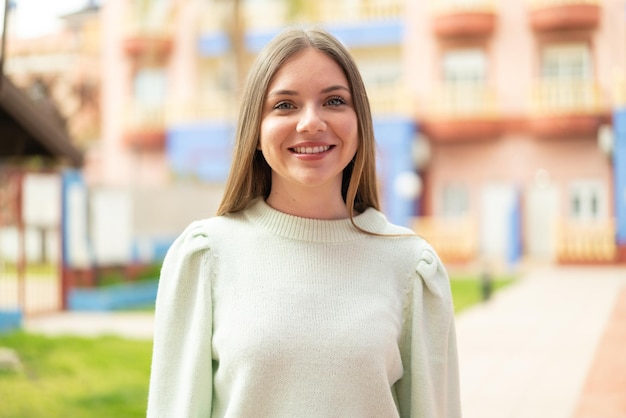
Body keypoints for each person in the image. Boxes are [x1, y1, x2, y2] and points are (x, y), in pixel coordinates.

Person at [147, 26, 461, 418]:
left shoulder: (412, 267)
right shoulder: (205, 256)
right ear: (255, 132)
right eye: (284, 105)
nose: (311, 122)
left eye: (333, 101)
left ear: (359, 121)